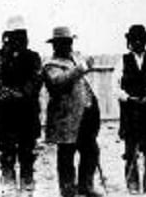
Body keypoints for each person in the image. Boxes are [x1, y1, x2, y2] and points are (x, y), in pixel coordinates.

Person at [42, 26, 103, 197]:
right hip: (66, 119)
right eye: (63, 43)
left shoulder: (75, 60)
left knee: (91, 151)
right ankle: (67, 190)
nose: (67, 46)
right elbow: (58, 82)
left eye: (69, 42)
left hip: (85, 116)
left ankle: (86, 185)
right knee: (66, 155)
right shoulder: (50, 65)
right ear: (55, 45)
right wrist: (82, 67)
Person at [0, 16, 43, 196]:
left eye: (22, 35)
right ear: (7, 36)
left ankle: (27, 185)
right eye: (15, 35)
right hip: (4, 113)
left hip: (26, 112)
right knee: (6, 151)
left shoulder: (33, 57)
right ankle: (8, 185)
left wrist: (22, 93)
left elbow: (36, 79)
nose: (19, 39)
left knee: (27, 152)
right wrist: (7, 93)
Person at [113, 25, 146, 194]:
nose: (138, 43)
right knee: (131, 149)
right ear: (129, 42)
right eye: (134, 40)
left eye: (141, 39)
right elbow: (114, 86)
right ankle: (132, 184)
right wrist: (128, 98)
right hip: (131, 110)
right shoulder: (122, 60)